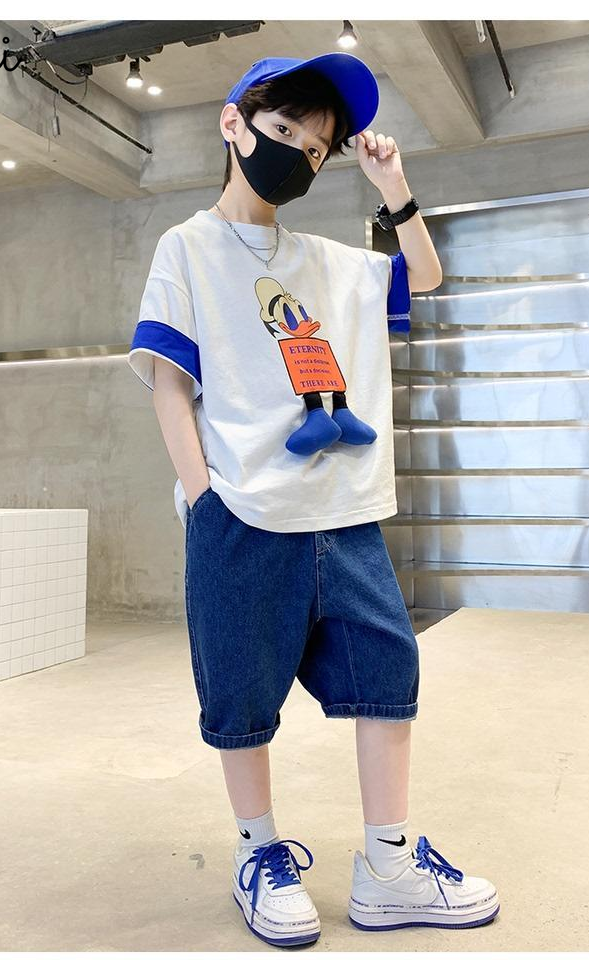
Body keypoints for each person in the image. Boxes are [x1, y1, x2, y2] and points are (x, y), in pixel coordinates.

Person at [128, 53, 500, 947]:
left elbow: (424, 275)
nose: (299, 152)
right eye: (285, 129)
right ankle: (259, 854)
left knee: (388, 680)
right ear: (234, 125)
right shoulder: (186, 247)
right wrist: (204, 500)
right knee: (242, 696)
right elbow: (170, 383)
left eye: (317, 147)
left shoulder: (328, 261)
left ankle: (388, 869)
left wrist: (393, 185)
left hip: (345, 514)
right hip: (243, 517)